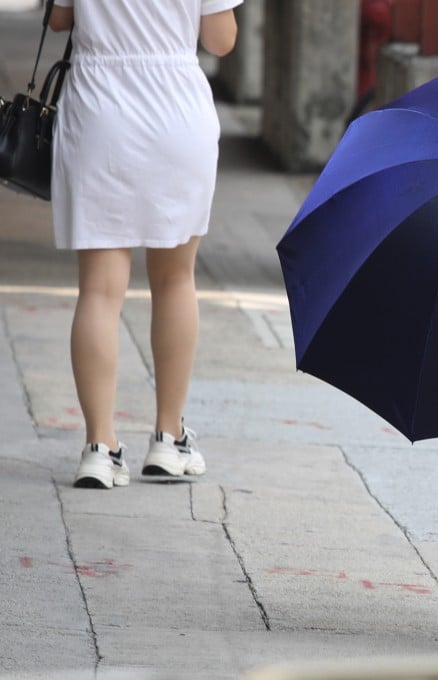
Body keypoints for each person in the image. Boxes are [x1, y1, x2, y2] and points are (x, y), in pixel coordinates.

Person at [47, 0, 241, 488]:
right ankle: (168, 437)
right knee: (176, 279)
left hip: (99, 109)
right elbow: (220, 39)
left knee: (99, 289)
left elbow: (58, 19)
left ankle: (99, 446)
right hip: (176, 111)